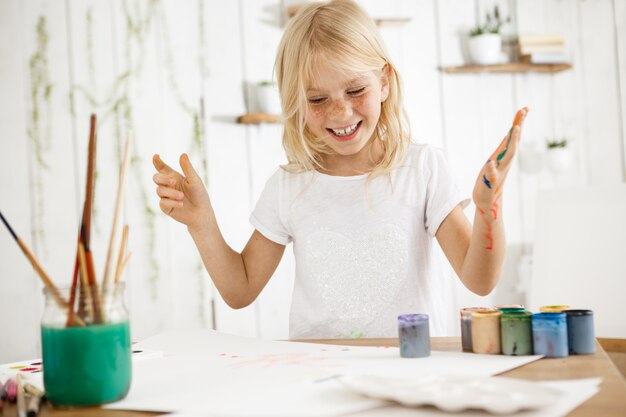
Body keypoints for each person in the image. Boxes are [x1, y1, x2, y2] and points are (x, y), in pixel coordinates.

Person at [152, 0, 527, 339]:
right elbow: (240, 290)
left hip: (411, 377)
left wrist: (487, 207)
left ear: (383, 83)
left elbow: (480, 280)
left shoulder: (422, 169)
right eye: (317, 99)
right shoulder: (289, 186)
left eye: (355, 91)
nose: (340, 112)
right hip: (319, 382)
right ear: (295, 103)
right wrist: (202, 224)